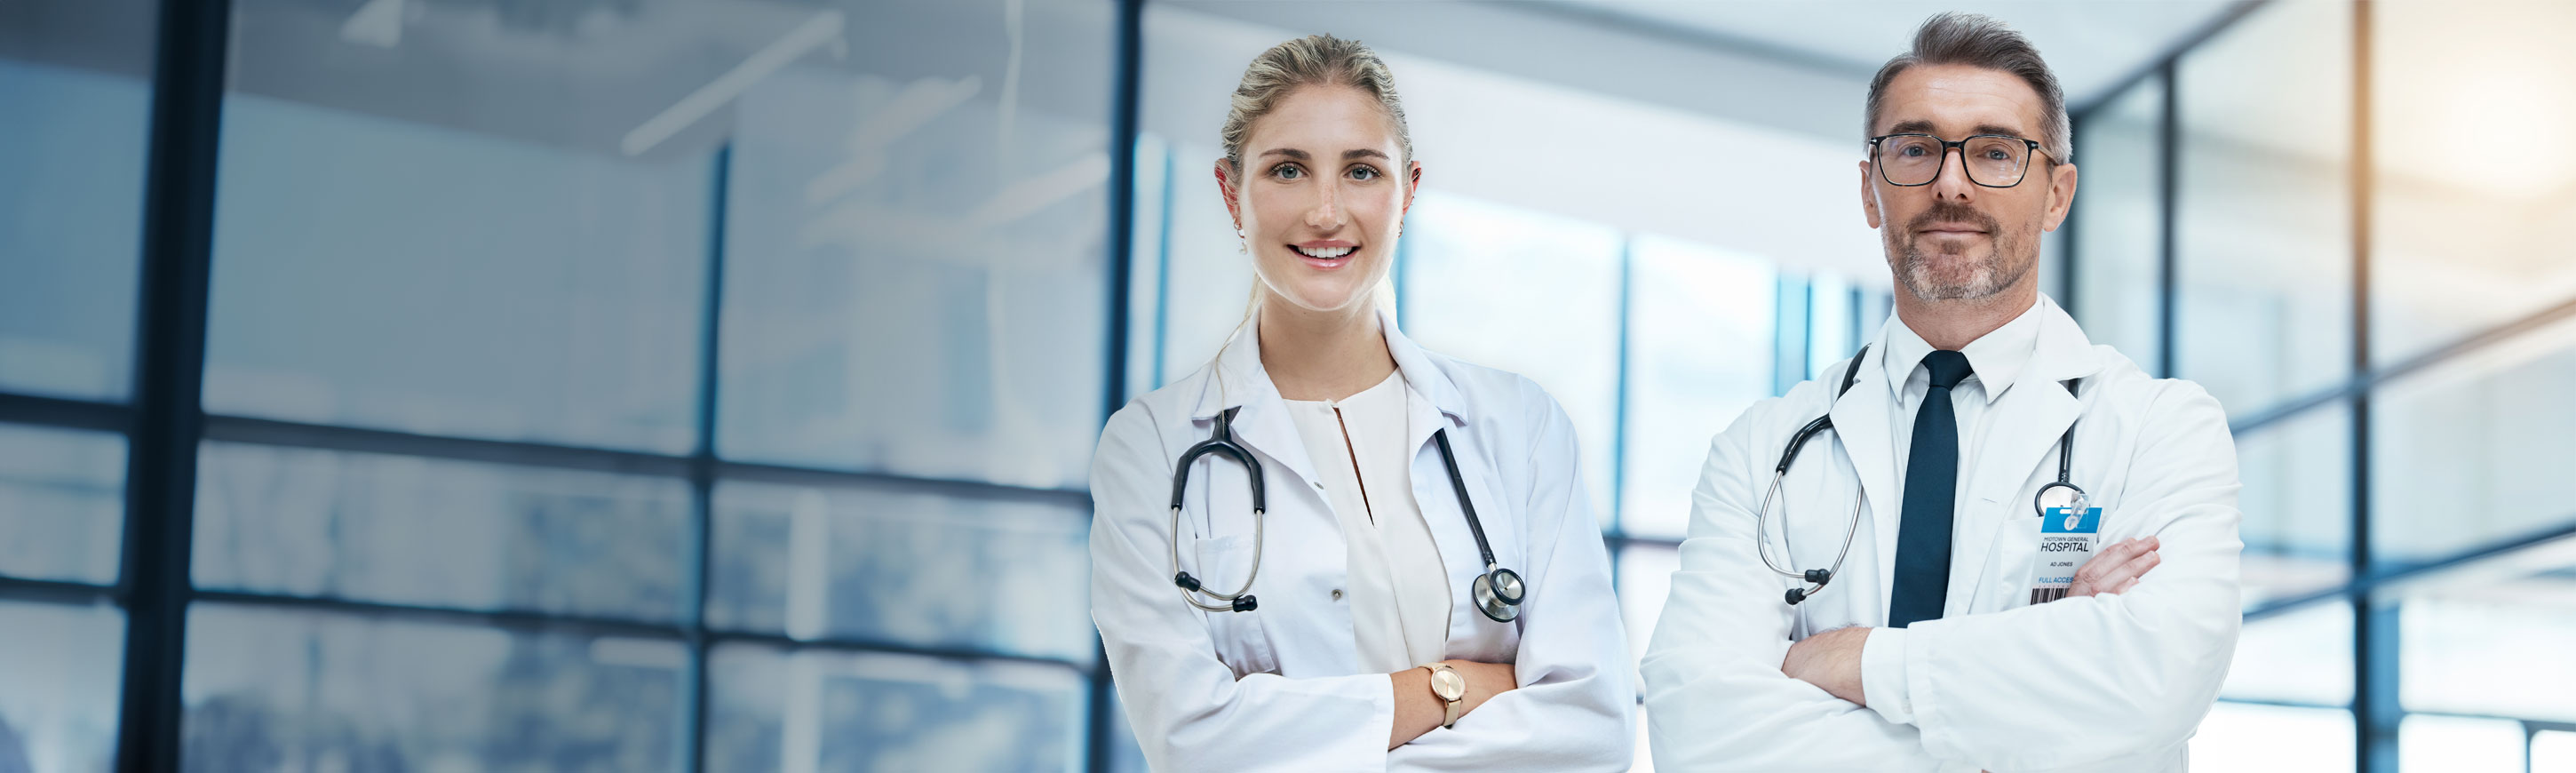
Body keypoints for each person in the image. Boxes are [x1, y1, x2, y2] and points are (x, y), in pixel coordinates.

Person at [1642, 13, 2243, 772]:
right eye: (1915, 149)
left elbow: (2154, 682)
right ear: (1870, 190)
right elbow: (1699, 733)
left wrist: (1854, 663)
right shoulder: (1761, 450)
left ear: (2057, 195)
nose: (1950, 184)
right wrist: (2039, 693)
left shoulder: (2159, 428)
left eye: (1995, 152)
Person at [1087, 34, 1632, 772]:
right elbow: (1192, 740)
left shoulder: (1520, 426)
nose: (1325, 210)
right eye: (1287, 169)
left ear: (1406, 191)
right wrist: (1451, 689)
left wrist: (1296, 735)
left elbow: (1592, 729)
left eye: (1361, 171)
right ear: (1230, 193)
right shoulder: (1150, 449)